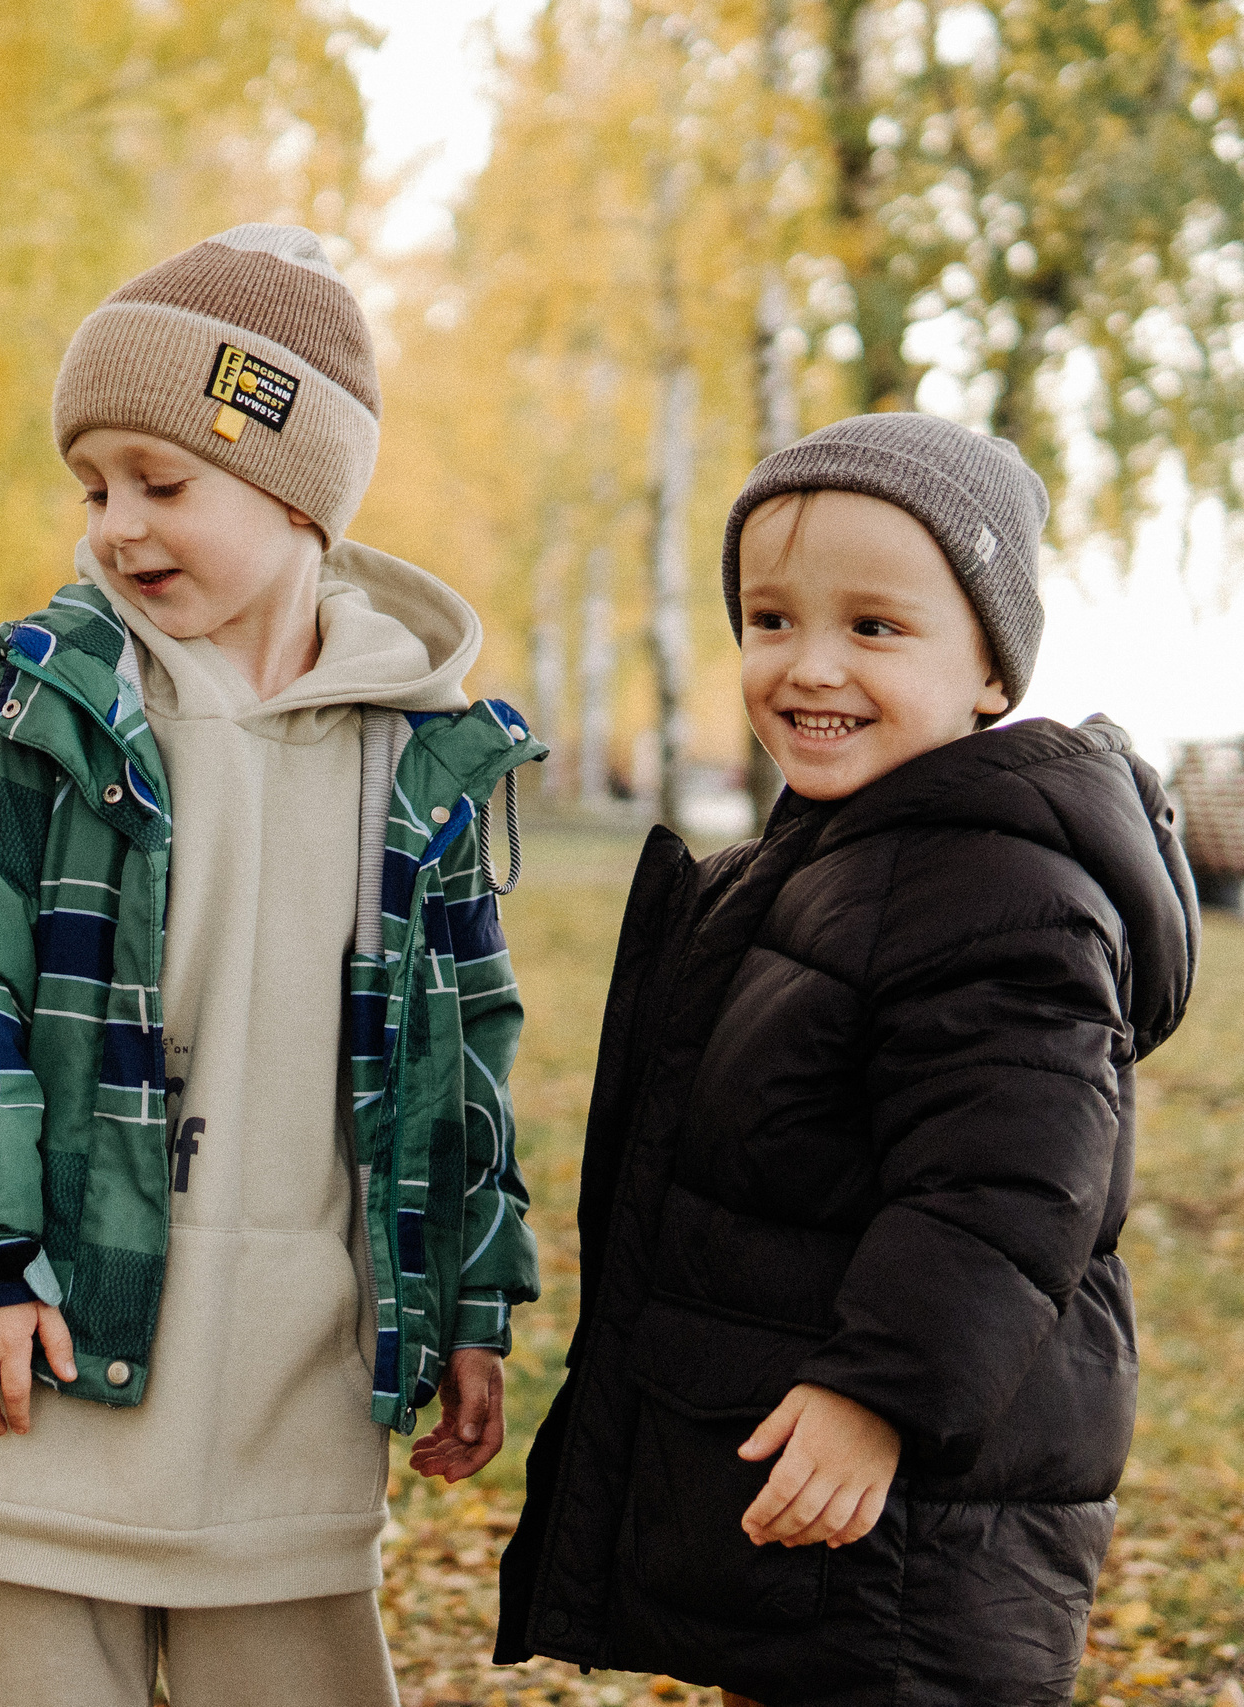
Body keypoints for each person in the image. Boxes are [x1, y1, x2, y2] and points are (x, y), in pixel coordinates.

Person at [0, 224, 547, 1706]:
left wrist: (469, 1304)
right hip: (30, 1357)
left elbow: (463, 1059)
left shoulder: (420, 759)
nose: (116, 525)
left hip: (282, 1387)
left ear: (301, 495)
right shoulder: (50, 707)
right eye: (95, 486)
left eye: (165, 483)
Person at [495, 413, 1200, 1706]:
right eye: (772, 621)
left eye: (874, 628)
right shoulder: (822, 864)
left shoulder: (1000, 888)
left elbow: (1002, 1189)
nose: (808, 665)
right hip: (813, 1518)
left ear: (992, 671)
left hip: (914, 1536)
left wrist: (880, 1393)